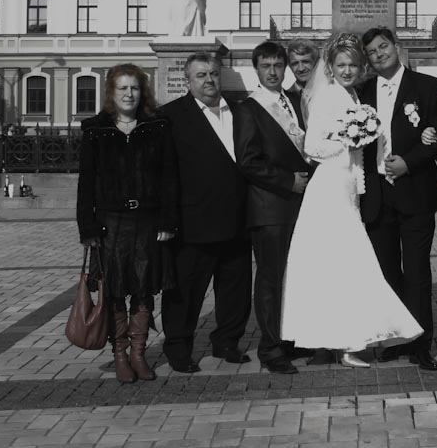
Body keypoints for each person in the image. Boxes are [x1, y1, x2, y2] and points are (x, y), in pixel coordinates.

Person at [281, 33, 423, 368]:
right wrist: (348, 138)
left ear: (361, 69)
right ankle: (344, 343)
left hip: (348, 186)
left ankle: (340, 340)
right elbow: (313, 147)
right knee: (346, 264)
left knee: (340, 267)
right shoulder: (328, 96)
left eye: (353, 65)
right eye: (341, 65)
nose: (347, 71)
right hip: (329, 188)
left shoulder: (352, 95)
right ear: (330, 67)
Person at [77, 64, 177, 384]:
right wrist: (87, 228)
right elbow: (86, 182)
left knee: (144, 289)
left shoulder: (157, 127)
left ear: (141, 91)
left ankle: (138, 354)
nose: (129, 94)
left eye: (134, 88)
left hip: (147, 221)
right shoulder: (96, 130)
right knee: (115, 291)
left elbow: (169, 178)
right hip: (111, 223)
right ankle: (120, 354)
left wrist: (168, 220)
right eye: (122, 88)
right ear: (111, 92)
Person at [358, 27, 437, 371]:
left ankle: (421, 343)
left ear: (397, 47)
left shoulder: (426, 86)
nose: (379, 54)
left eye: (383, 47)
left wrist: (409, 162)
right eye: (372, 52)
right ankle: (396, 338)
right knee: (386, 272)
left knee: (417, 271)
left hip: (415, 192)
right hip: (377, 195)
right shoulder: (362, 92)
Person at [159, 53, 251, 373]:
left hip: (238, 218)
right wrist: (168, 220)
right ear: (188, 80)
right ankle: (178, 348)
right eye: (201, 75)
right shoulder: (171, 116)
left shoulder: (239, 111)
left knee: (235, 289)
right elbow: (165, 173)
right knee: (186, 291)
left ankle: (227, 341)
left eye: (213, 73)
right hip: (193, 222)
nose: (209, 79)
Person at [235, 42, 313, 375]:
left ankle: (290, 338)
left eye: (278, 65)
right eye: (266, 66)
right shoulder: (248, 109)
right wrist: (287, 181)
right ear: (256, 69)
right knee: (271, 279)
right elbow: (248, 161)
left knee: (295, 276)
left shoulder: (295, 101)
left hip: (299, 206)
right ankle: (269, 347)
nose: (272, 72)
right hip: (269, 208)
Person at [286, 39, 320, 121]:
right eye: (295, 63)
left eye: (305, 62)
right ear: (289, 66)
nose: (301, 68)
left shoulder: (328, 93)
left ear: (316, 63)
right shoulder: (286, 99)